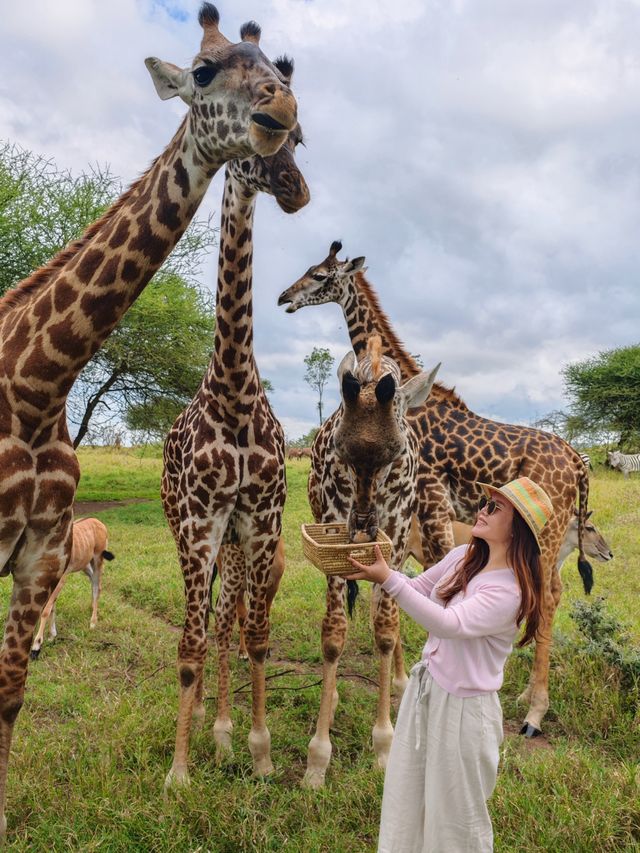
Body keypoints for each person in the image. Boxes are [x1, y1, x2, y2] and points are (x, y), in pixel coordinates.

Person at [346, 476, 553, 853]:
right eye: (485, 503)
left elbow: (448, 624)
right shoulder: (464, 558)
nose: (482, 510)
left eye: (495, 508)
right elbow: (422, 588)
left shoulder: (507, 591)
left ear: (517, 528)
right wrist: (378, 570)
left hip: (464, 714)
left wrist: (388, 579)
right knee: (406, 796)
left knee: (456, 817)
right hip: (426, 695)